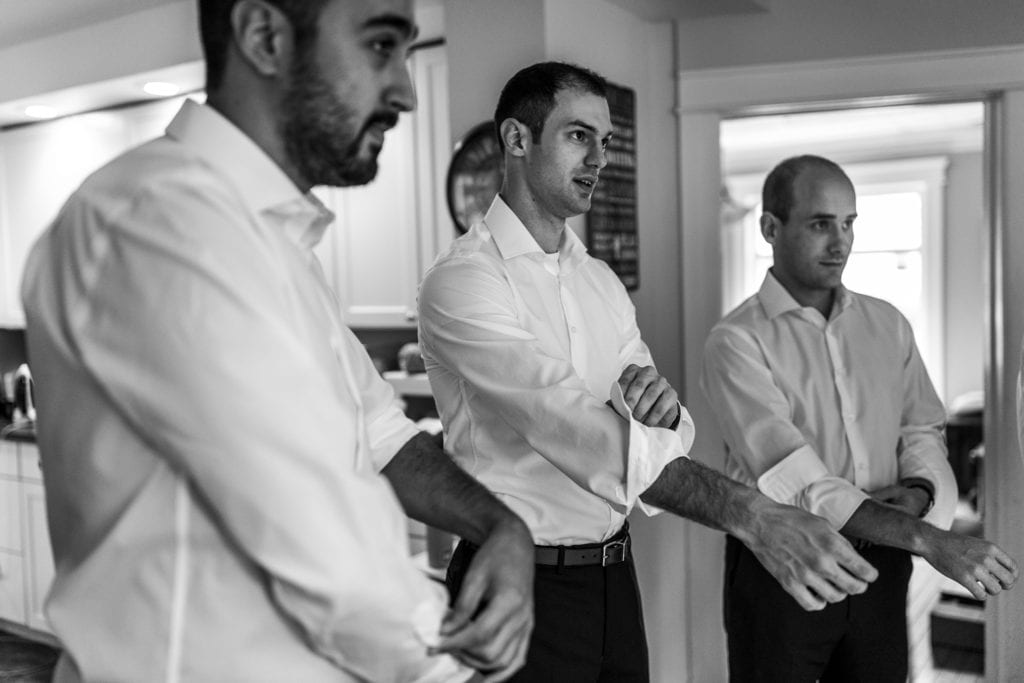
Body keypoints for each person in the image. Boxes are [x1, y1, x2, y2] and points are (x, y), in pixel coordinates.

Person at [20, 1, 535, 681]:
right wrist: (467, 661)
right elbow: (331, 558)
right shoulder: (158, 220)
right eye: (381, 45)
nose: (406, 92)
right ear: (264, 37)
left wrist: (501, 526)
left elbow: (382, 434)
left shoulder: (275, 244)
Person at [417, 61, 879, 682]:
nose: (599, 159)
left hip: (614, 577)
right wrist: (754, 514)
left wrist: (657, 415)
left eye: (605, 142)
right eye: (579, 136)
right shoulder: (465, 281)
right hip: (515, 583)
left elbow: (672, 424)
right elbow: (574, 428)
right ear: (517, 139)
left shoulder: (600, 281)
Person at [701, 154, 1019, 682]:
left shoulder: (887, 324)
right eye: (821, 223)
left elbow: (921, 427)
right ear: (770, 228)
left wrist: (920, 491)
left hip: (883, 566)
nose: (840, 241)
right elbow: (796, 477)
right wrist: (931, 540)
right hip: (784, 566)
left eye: (849, 223)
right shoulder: (736, 341)